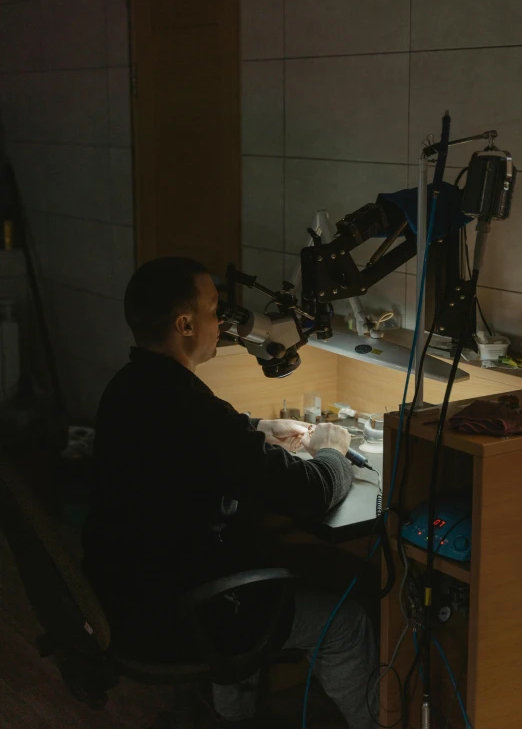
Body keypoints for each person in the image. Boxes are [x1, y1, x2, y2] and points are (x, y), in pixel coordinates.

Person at [82, 257, 378, 728]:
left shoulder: (130, 385)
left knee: (245, 554)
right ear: (184, 323)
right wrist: (333, 452)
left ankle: (231, 718)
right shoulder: (190, 408)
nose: (221, 322)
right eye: (213, 308)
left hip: (125, 598)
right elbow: (309, 493)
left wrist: (260, 427)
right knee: (348, 623)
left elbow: (191, 439)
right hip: (180, 615)